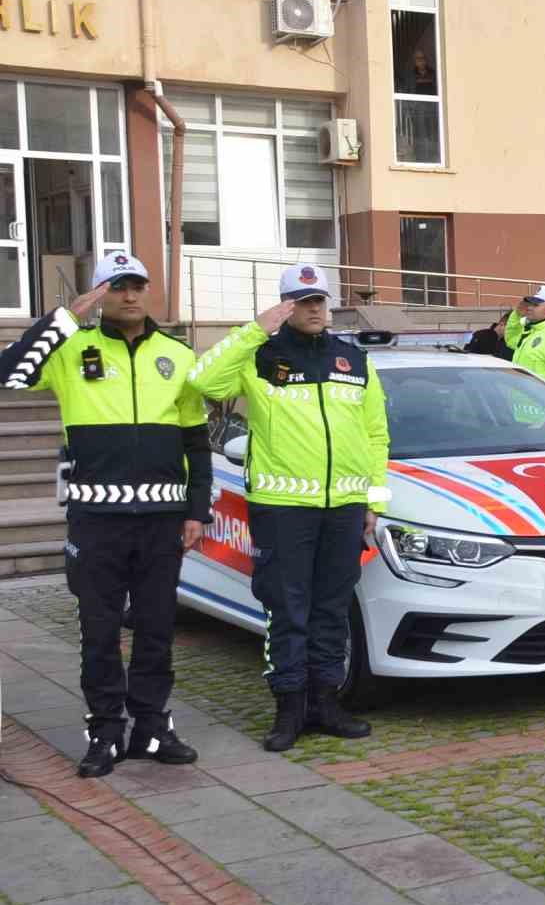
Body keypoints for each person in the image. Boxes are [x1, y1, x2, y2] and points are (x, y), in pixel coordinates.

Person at [0, 254, 210, 777]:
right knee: (98, 631)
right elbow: (8, 374)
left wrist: (197, 510)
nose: (130, 295)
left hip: (163, 519)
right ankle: (105, 732)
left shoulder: (178, 355)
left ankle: (153, 728)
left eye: (137, 285)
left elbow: (196, 440)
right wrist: (64, 318)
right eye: (116, 287)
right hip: (96, 521)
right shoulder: (70, 348)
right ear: (99, 295)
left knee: (157, 628)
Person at [187, 265, 390, 751]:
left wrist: (372, 501)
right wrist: (255, 329)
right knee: (287, 609)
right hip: (281, 507)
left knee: (331, 608)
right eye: (302, 301)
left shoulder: (354, 359)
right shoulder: (259, 356)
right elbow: (203, 381)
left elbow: (376, 434)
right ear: (285, 307)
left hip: (343, 506)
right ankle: (289, 709)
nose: (314, 308)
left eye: (319, 299)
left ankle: (325, 702)